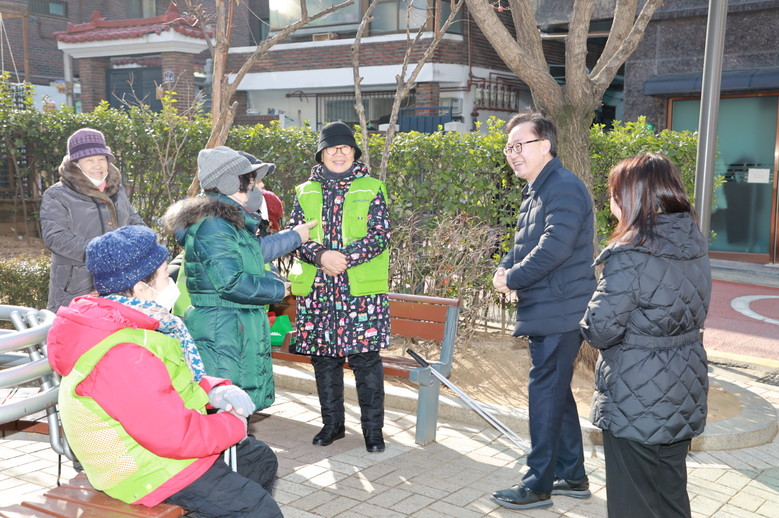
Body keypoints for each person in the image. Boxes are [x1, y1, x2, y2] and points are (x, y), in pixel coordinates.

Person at [46, 225, 282, 517]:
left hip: (156, 449)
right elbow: (172, 435)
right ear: (141, 289)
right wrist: (232, 425)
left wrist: (213, 389)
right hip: (144, 470)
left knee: (259, 460)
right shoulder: (122, 353)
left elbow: (168, 384)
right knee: (257, 509)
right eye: (164, 274)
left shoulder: (128, 324)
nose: (172, 282)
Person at [580, 153, 711, 518]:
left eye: (614, 194)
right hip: (683, 388)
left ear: (634, 199)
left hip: (635, 397)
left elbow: (599, 330)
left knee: (632, 502)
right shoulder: (694, 244)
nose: (610, 204)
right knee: (670, 495)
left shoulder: (629, 255)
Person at [490, 112, 596, 510]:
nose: (512, 154)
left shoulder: (563, 186)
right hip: (550, 308)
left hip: (561, 311)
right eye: (509, 147)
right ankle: (572, 474)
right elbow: (523, 245)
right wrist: (504, 267)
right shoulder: (537, 190)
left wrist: (512, 278)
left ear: (545, 145)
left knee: (545, 395)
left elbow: (556, 247)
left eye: (521, 145)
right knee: (556, 394)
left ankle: (538, 485)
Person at [163, 146, 316, 411]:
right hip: (223, 329)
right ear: (229, 183)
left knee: (235, 415)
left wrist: (290, 240)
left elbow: (249, 257)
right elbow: (230, 282)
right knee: (225, 412)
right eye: (252, 181)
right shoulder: (214, 224)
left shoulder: (227, 222)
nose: (258, 187)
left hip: (234, 327)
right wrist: (279, 289)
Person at [287, 121, 391, 453]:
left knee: (366, 361)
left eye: (345, 147)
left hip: (360, 294)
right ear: (321, 154)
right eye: (332, 148)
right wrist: (321, 256)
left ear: (354, 152)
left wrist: (342, 258)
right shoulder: (304, 191)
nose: (339, 153)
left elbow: (380, 235)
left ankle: (373, 431)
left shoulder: (372, 187)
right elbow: (295, 235)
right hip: (319, 292)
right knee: (324, 361)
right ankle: (333, 425)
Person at [40, 128, 144, 312]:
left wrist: (143, 243)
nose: (97, 165)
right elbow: (55, 237)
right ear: (76, 163)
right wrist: (102, 253)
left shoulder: (117, 191)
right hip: (77, 288)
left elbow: (135, 223)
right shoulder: (57, 195)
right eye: (89, 160)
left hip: (120, 285)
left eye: (101, 159)